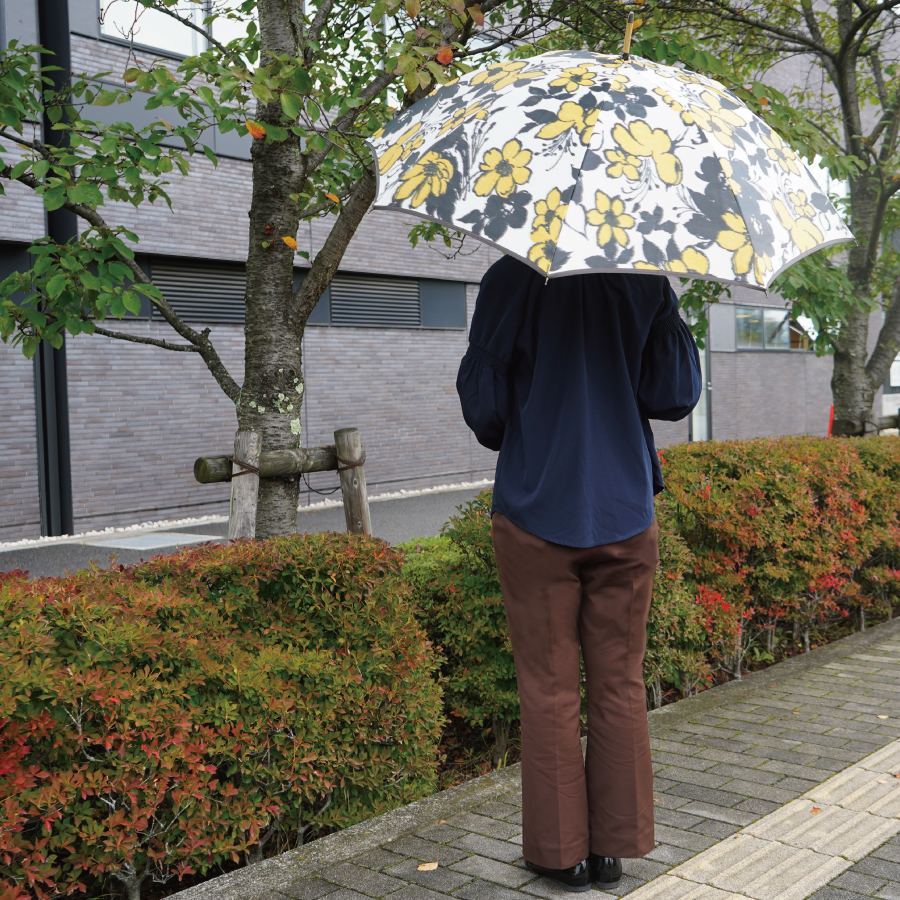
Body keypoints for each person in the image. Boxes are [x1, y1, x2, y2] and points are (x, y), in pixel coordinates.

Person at [456, 255, 702, 892]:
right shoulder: (648, 279)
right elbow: (674, 396)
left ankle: (559, 855)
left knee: (547, 688)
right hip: (624, 505)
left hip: (535, 506)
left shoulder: (511, 277)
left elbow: (483, 411)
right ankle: (615, 851)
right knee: (620, 683)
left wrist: (536, 420)